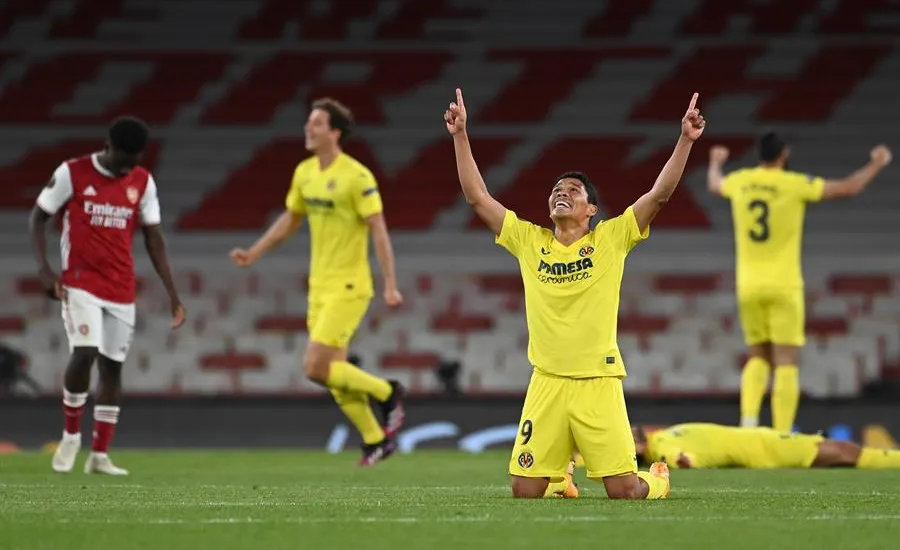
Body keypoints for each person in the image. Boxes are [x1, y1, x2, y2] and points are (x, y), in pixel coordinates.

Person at [445, 87, 707, 500]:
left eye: (573, 190)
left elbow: (659, 195)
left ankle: (657, 478)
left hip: (597, 381)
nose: (561, 193)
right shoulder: (529, 241)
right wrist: (461, 135)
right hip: (546, 381)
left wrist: (685, 141)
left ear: (591, 211)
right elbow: (477, 198)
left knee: (625, 491)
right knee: (524, 491)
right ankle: (560, 479)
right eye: (556, 190)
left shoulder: (612, 238)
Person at [230, 98, 406, 466]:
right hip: (319, 286)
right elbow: (290, 219)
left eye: (317, 124)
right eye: (308, 122)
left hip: (349, 285)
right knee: (332, 374)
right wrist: (254, 252)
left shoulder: (357, 177)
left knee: (314, 367)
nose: (308, 129)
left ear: (335, 132)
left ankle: (387, 391)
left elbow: (380, 231)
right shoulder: (304, 173)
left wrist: (390, 283)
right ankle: (376, 439)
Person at [30, 116, 185, 475]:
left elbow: (153, 237)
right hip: (80, 283)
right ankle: (71, 436)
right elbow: (38, 217)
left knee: (112, 369)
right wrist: (44, 269)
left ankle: (99, 456)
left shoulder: (142, 182)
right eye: (123, 158)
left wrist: (173, 293)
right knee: (84, 352)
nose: (128, 166)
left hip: (120, 287)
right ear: (108, 146)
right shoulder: (73, 172)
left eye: (135, 159)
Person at [707, 134, 892, 433]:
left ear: (760, 155)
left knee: (757, 355)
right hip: (784, 284)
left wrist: (715, 162)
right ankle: (782, 433)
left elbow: (715, 184)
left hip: (749, 284)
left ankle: (749, 423)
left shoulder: (741, 180)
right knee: (786, 360)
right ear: (784, 154)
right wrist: (876, 163)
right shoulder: (794, 184)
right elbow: (848, 188)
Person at [634, 422, 900, 470]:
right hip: (764, 448)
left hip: (759, 439)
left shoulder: (661, 436)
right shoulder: (661, 447)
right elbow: (676, 456)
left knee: (843, 454)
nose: (634, 430)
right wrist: (683, 460)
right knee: (846, 452)